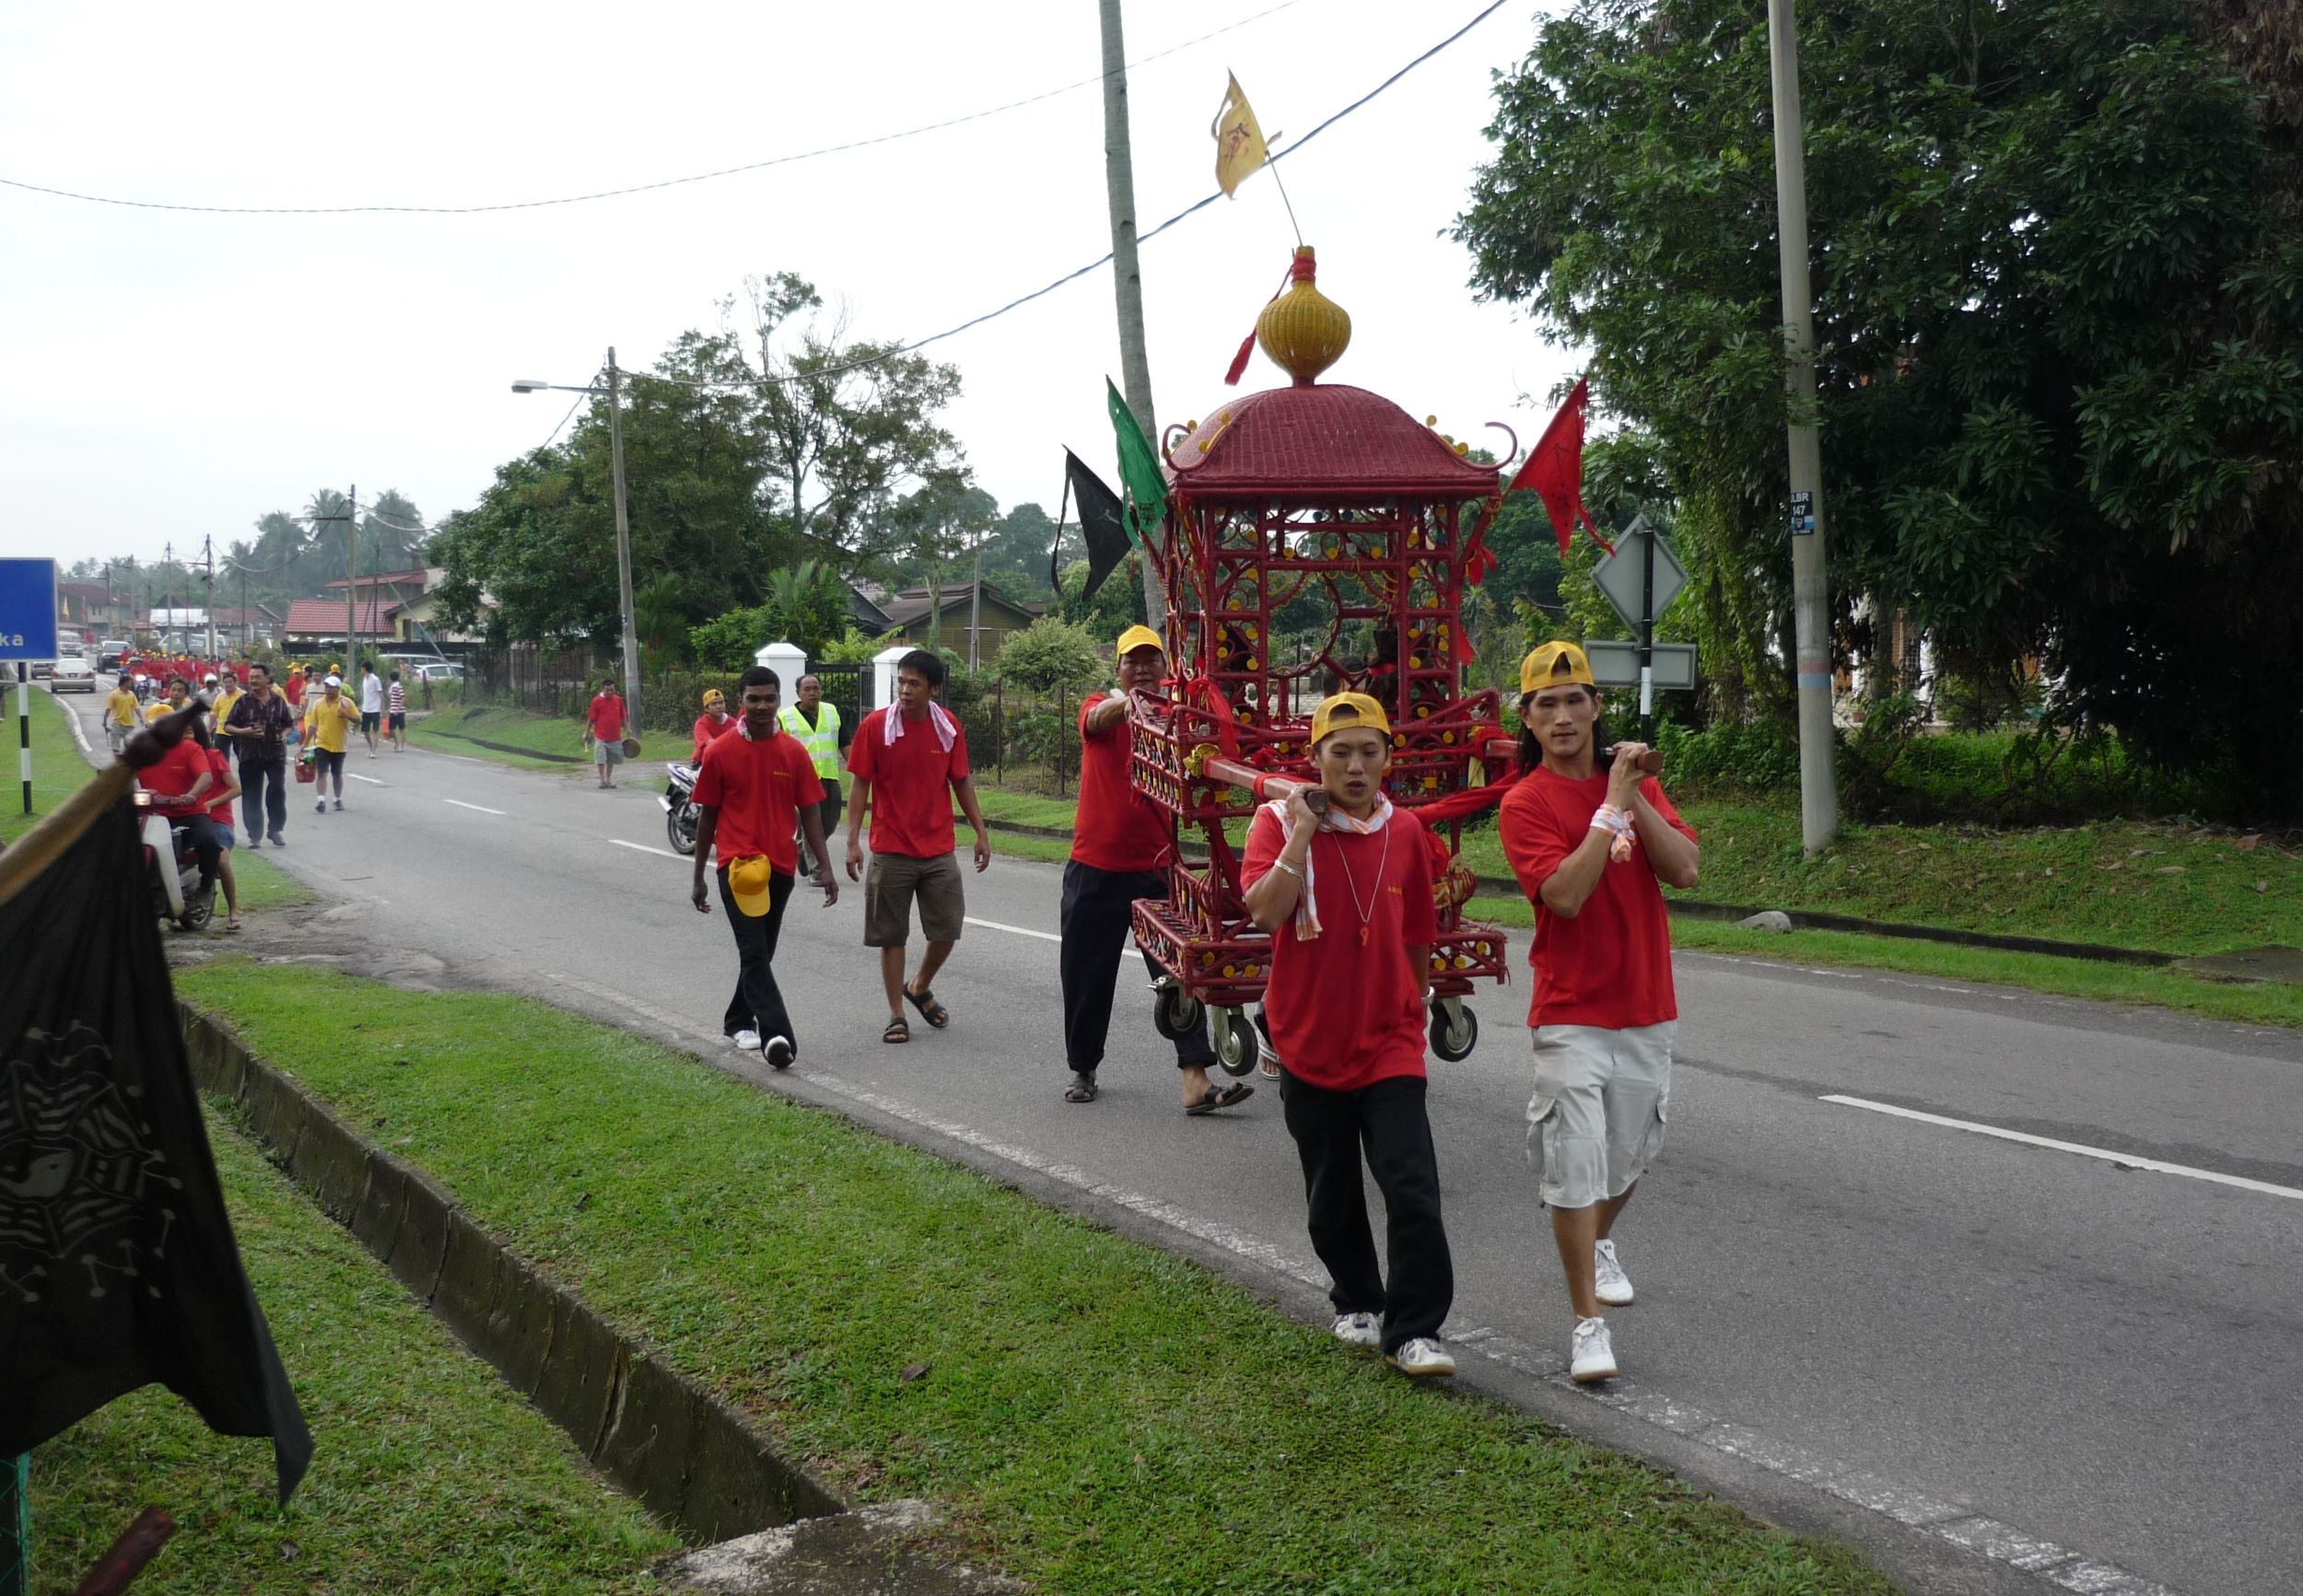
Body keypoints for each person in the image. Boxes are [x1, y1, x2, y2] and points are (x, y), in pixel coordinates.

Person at [1496, 641, 1701, 1385]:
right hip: (1572, 1010)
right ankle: (1587, 1324)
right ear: (1527, 717)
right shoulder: (1524, 803)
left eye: (1574, 699)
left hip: (1646, 1003)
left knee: (1631, 1151)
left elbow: (1682, 868)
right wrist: (1608, 807)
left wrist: (1633, 796)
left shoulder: (1637, 787)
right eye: (1544, 704)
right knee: (1574, 1161)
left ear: (1597, 707)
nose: (1561, 715)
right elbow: (1565, 895)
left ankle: (1600, 1238)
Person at [1242, 692, 1456, 1379]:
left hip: (1390, 1038)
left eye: (1370, 752)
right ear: (1316, 760)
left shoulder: (1409, 831)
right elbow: (1264, 911)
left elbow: (1420, 934)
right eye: (1341, 753)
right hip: (1307, 1035)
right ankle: (1358, 1298)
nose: (1357, 767)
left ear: (1389, 759)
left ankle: (1417, 1328)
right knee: (1331, 1192)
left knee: (1412, 1184)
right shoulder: (1274, 824)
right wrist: (1303, 832)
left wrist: (1412, 1006)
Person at [1057, 625, 1234, 1113]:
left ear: (1165, 667)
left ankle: (1196, 1079)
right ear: (1117, 670)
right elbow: (1095, 719)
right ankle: (1084, 1067)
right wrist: (1133, 703)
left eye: (1151, 661)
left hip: (1156, 870)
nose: (1141, 669)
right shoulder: (1101, 706)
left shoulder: (1175, 718)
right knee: (1087, 978)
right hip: (1094, 869)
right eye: (1132, 662)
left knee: (1182, 975)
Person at [689, 666, 838, 1066]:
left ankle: (737, 1018)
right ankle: (777, 1037)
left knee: (762, 951)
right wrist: (700, 875)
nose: (761, 706)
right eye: (753, 698)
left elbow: (811, 814)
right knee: (754, 952)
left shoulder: (792, 752)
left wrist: (825, 868)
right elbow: (707, 817)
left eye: (769, 698)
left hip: (781, 869)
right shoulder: (720, 752)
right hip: (737, 869)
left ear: (778, 701)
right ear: (741, 701)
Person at [843, 648, 991, 1044]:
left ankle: (920, 984)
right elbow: (860, 783)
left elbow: (960, 781)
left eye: (914, 683)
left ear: (933, 689)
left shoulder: (948, 728)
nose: (905, 690)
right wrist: (853, 840)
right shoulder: (876, 727)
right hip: (891, 848)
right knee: (891, 935)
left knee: (948, 927)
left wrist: (980, 831)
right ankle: (896, 1015)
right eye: (901, 682)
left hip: (938, 848)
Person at [137, 710, 221, 909]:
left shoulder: (190, 749)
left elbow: (206, 777)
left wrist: (191, 795)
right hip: (152, 815)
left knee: (209, 841)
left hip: (189, 814)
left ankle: (206, 887)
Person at [777, 673, 846, 886]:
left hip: (829, 775)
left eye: (816, 688)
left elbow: (844, 741)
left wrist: (857, 768)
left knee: (831, 822)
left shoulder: (832, 712)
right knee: (811, 823)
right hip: (801, 781)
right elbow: (778, 750)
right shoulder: (785, 716)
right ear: (798, 693)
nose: (812, 693)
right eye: (807, 689)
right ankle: (817, 870)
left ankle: (802, 851)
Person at [223, 662, 297, 848]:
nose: (253, 680)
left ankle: (275, 830)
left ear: (267, 678)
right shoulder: (243, 701)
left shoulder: (278, 701)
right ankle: (254, 835)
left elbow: (289, 725)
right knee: (251, 795)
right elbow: (228, 726)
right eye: (251, 677)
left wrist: (284, 735)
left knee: (277, 791)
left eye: (257, 677)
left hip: (275, 754)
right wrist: (244, 731)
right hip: (250, 755)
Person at [196, 720, 244, 933]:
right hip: (188, 819)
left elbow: (236, 789)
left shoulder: (214, 756)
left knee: (222, 860)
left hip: (217, 820)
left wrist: (210, 804)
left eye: (189, 733)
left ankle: (233, 910)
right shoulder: (172, 758)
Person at [302, 674, 359, 814]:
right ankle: (321, 800)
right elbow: (313, 725)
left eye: (331, 687)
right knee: (322, 773)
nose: (328, 690)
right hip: (322, 743)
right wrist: (305, 743)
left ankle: (337, 799)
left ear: (338, 689)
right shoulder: (318, 703)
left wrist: (346, 715)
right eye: (327, 687)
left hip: (339, 745)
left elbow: (358, 720)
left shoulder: (346, 703)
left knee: (336, 774)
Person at [587, 677, 627, 789]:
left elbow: (623, 716)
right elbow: (591, 718)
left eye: (612, 690)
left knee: (611, 760)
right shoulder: (596, 701)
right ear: (603, 689)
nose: (610, 692)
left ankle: (608, 780)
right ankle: (603, 780)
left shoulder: (618, 700)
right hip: (601, 736)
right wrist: (586, 732)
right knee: (600, 759)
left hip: (615, 736)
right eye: (607, 690)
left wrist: (628, 729)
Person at [692, 688, 737, 764]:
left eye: (721, 702)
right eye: (714, 704)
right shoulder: (701, 724)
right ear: (707, 708)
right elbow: (711, 744)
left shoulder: (732, 722)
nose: (719, 706)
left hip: (726, 762)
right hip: (703, 763)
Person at [207, 671, 242, 765]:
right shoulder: (220, 696)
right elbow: (214, 713)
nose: (228, 684)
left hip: (239, 730)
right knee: (221, 759)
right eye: (226, 682)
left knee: (243, 757)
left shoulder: (243, 695)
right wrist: (209, 729)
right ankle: (225, 778)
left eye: (230, 682)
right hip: (222, 730)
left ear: (235, 683)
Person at [103, 673, 141, 754]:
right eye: (130, 682)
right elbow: (108, 708)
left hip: (130, 724)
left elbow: (136, 708)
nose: (131, 684)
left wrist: (141, 718)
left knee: (131, 748)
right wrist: (105, 720)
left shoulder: (132, 694)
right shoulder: (114, 694)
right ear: (125, 683)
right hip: (117, 724)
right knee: (115, 748)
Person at [359, 662, 385, 757]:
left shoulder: (375, 679)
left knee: (375, 730)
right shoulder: (364, 679)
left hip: (375, 709)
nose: (361, 670)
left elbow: (381, 694)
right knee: (365, 731)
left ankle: (373, 751)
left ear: (365, 668)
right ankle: (370, 747)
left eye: (362, 668)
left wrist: (383, 709)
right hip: (366, 708)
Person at [386, 669, 408, 751]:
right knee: (391, 728)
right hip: (393, 710)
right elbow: (394, 700)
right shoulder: (393, 687)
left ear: (391, 678)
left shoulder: (397, 686)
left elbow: (403, 697)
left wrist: (397, 709)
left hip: (399, 711)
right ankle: (397, 743)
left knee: (402, 728)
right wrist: (390, 708)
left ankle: (402, 746)